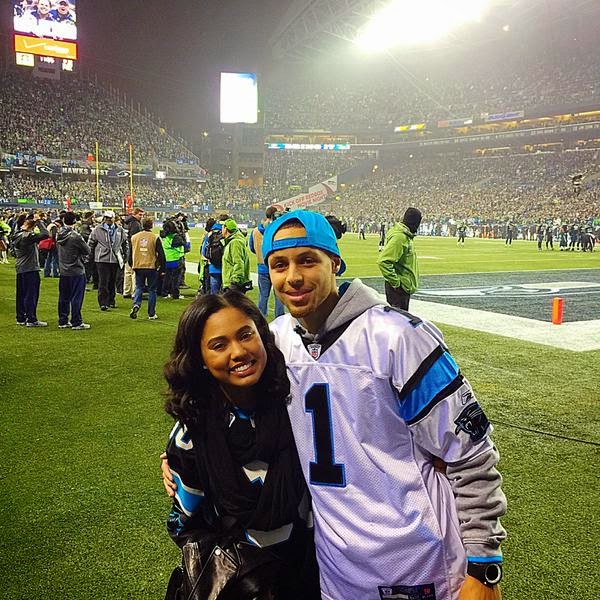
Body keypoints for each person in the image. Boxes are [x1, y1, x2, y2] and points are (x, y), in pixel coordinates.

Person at [165, 210, 507, 600]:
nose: (293, 276)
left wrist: (484, 565)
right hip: (335, 569)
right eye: (279, 265)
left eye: (307, 260)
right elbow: (223, 396)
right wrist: (181, 451)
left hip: (419, 560)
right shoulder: (278, 341)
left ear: (335, 262)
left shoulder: (400, 337)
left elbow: (470, 454)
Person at [162, 291, 319, 600]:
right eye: (219, 345)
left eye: (246, 335)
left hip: (314, 574)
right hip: (241, 586)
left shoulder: (300, 409)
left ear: (263, 336)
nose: (238, 352)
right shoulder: (190, 436)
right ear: (201, 359)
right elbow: (184, 525)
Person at [377, 207, 422, 311]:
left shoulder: (405, 236)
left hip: (402, 287)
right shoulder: (400, 237)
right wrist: (396, 283)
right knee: (397, 323)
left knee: (400, 321)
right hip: (398, 289)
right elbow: (383, 261)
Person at [12, 212, 49, 327]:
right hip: (30, 268)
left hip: (20, 268)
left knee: (21, 294)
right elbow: (45, 234)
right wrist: (38, 221)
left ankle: (21, 317)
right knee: (31, 294)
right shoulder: (26, 236)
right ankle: (31, 319)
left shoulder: (17, 234)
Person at [56, 211, 91, 330]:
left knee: (63, 297)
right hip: (76, 270)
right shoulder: (75, 236)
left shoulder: (59, 234)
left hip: (63, 270)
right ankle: (76, 321)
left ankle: (63, 320)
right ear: (74, 222)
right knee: (76, 297)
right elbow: (87, 250)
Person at [87, 210, 128, 311]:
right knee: (103, 282)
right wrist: (89, 256)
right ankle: (103, 303)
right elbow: (91, 243)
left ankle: (111, 300)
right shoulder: (97, 229)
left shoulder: (120, 230)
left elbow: (125, 243)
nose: (108, 220)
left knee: (112, 281)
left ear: (114, 218)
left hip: (115, 259)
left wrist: (125, 256)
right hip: (102, 259)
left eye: (110, 218)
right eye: (106, 218)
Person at [248, 206, 284, 317]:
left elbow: (252, 247)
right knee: (279, 295)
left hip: (262, 267)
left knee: (263, 296)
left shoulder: (255, 231)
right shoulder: (277, 229)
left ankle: (261, 318)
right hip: (276, 267)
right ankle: (280, 319)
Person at [129, 216, 165, 320]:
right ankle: (151, 313)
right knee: (152, 290)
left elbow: (130, 253)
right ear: (152, 225)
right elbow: (161, 254)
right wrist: (162, 268)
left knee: (139, 287)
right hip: (151, 266)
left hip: (138, 265)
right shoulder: (155, 237)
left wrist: (131, 264)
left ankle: (136, 304)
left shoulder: (134, 237)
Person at [221, 219, 251, 294]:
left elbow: (238, 262)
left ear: (226, 229)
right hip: (231, 283)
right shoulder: (233, 241)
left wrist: (234, 282)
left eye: (222, 227)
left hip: (233, 285)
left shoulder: (235, 242)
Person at [122, 207, 144, 299]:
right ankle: (135, 293)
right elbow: (136, 239)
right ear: (135, 214)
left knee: (127, 272)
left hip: (127, 249)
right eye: (140, 214)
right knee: (135, 272)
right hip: (133, 250)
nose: (141, 217)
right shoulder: (135, 224)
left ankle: (126, 291)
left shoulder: (127, 222)